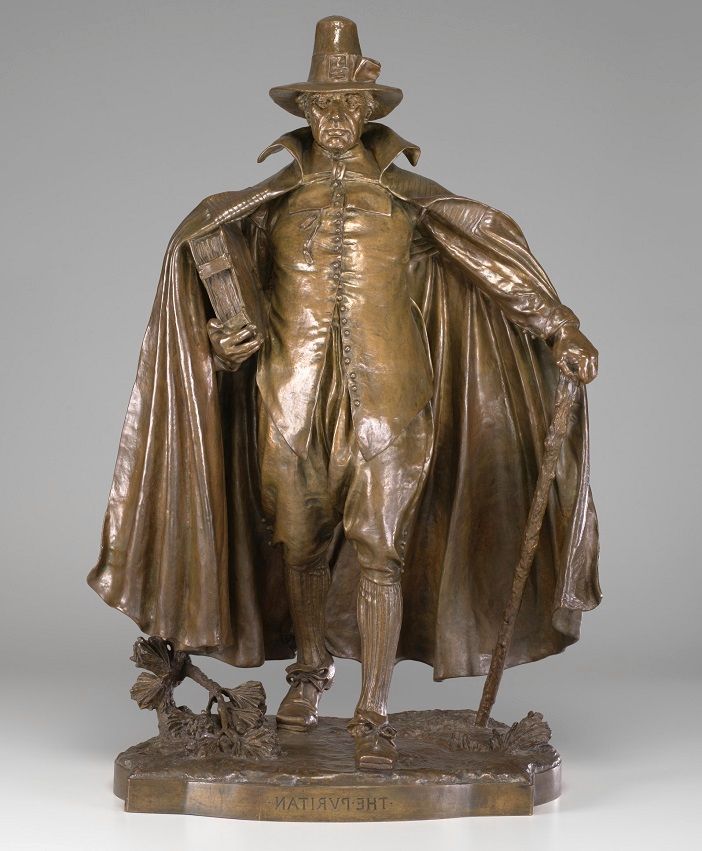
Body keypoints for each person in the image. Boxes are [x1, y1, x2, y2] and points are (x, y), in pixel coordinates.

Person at [89, 17, 600, 771]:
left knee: (382, 547)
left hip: (394, 397)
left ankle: (374, 709)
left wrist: (560, 327)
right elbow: (221, 295)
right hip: (289, 397)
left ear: (368, 111)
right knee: (300, 540)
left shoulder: (409, 199)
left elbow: (491, 260)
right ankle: (309, 670)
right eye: (320, 105)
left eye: (346, 105)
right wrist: (222, 344)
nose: (333, 118)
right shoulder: (266, 205)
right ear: (304, 111)